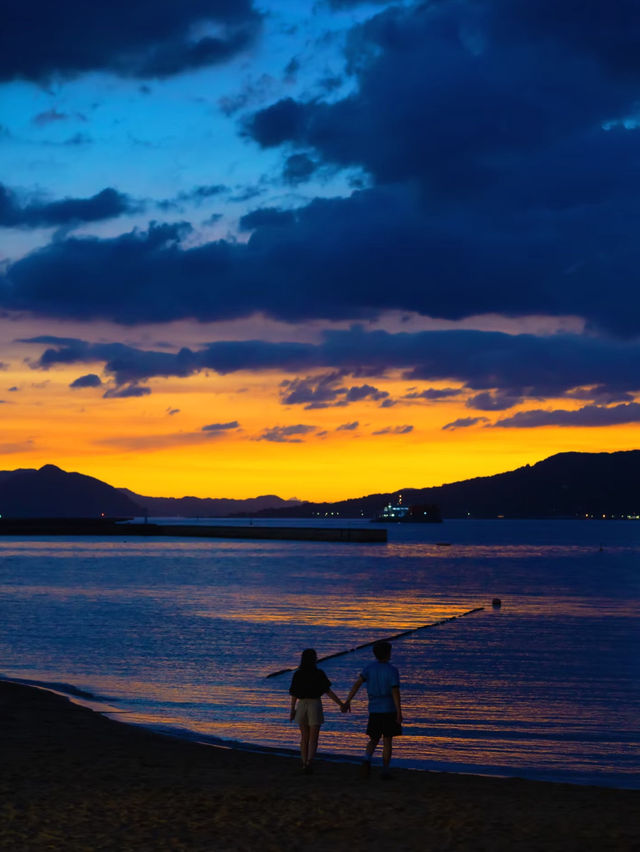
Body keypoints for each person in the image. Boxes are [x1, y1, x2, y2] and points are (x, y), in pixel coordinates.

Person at [342, 640, 402, 780]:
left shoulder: (369, 668)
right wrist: (399, 712)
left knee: (374, 739)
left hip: (374, 709)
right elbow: (395, 692)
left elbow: (357, 685)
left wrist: (348, 701)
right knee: (387, 740)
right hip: (389, 709)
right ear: (388, 653)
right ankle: (385, 770)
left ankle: (366, 759)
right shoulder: (392, 670)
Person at [289, 648, 344, 774]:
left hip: (302, 704)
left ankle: (304, 762)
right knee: (313, 738)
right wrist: (341, 704)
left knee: (304, 737)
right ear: (314, 659)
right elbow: (328, 691)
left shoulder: (298, 674)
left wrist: (292, 710)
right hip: (315, 703)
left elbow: (293, 694)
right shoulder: (319, 673)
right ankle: (309, 762)